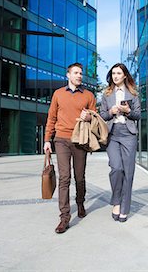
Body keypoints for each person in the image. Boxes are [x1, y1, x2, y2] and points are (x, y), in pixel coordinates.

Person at [43, 62, 96, 234]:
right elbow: (51, 118)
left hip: (80, 140)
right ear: (68, 75)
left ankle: (80, 202)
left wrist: (88, 117)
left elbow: (95, 119)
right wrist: (47, 140)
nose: (79, 75)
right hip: (61, 140)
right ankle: (64, 217)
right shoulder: (58, 94)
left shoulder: (89, 95)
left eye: (81, 73)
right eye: (76, 73)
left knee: (79, 177)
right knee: (64, 178)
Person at [99, 63, 141, 222]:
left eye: (118, 73)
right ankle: (116, 200)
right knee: (116, 168)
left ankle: (124, 207)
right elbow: (102, 115)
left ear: (125, 76)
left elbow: (138, 115)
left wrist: (128, 111)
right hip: (112, 134)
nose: (115, 76)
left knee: (128, 172)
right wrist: (111, 112)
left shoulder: (133, 94)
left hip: (128, 134)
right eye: (113, 73)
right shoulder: (107, 94)